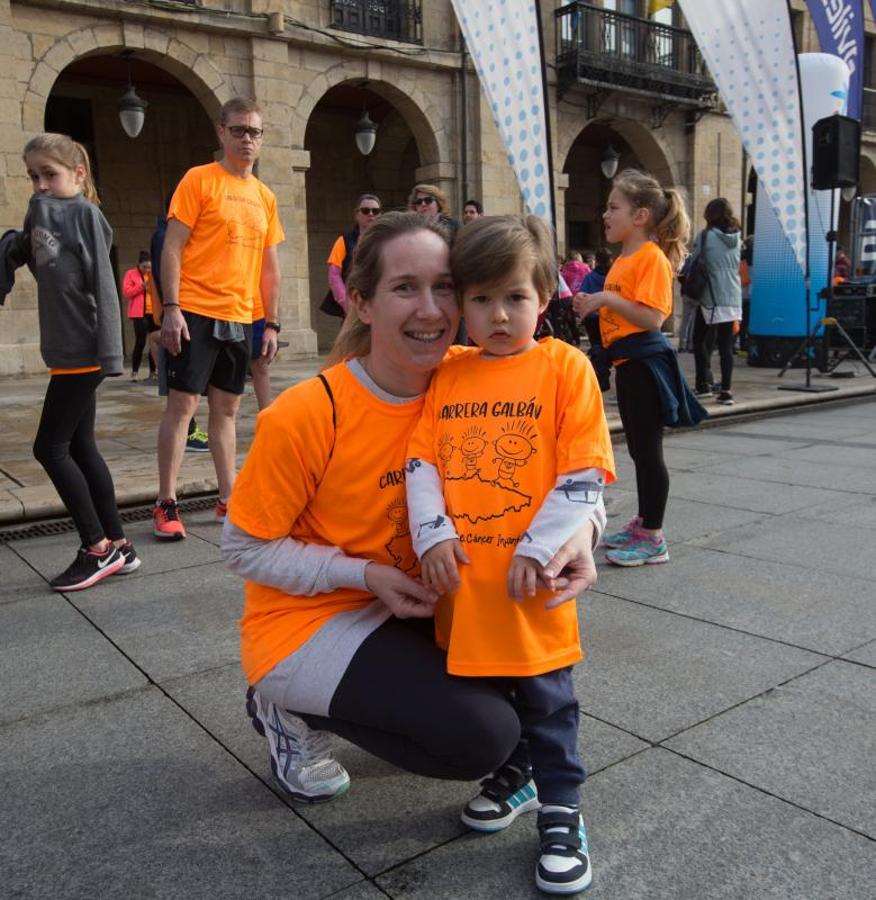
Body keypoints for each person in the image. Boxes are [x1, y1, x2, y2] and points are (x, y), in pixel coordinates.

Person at [222, 212, 601, 874]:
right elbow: (245, 548)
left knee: (518, 678)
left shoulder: (473, 371)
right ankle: (285, 706)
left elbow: (562, 463)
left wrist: (583, 534)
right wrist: (363, 577)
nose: (432, 310)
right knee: (479, 736)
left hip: (432, 600)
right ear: (361, 302)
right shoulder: (306, 414)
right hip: (314, 621)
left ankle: (521, 770)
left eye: (447, 286)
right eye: (404, 288)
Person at [405, 215, 615, 895]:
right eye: (482, 299)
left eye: (515, 298)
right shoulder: (448, 374)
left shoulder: (564, 368)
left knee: (551, 706)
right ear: (461, 303)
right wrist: (432, 532)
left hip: (535, 583)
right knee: (494, 698)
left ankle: (563, 812)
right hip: (468, 585)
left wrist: (541, 545)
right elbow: (422, 463)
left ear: (546, 294)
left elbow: (583, 475)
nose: (499, 315)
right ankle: (519, 775)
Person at [154, 97, 284, 538]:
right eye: (239, 130)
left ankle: (227, 497)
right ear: (222, 133)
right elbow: (171, 247)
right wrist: (170, 309)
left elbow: (270, 267)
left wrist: (271, 323)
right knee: (183, 405)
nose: (247, 138)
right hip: (194, 310)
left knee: (227, 409)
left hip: (241, 316)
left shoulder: (265, 196)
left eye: (255, 132)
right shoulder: (199, 180)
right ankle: (166, 502)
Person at [22, 133, 139, 590]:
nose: (41, 184)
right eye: (34, 176)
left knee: (49, 448)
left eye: (49, 174)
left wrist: (110, 352)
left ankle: (97, 548)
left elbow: (105, 287)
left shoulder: (86, 214)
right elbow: (36, 258)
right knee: (81, 446)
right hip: (63, 349)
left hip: (84, 348)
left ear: (78, 173)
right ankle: (120, 545)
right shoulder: (41, 209)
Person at [574, 169, 705, 568]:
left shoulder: (650, 257)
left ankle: (653, 537)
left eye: (614, 207)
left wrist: (603, 302)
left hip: (646, 363)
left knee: (648, 453)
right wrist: (592, 306)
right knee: (638, 450)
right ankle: (645, 523)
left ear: (641, 216)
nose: (605, 215)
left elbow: (652, 317)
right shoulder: (625, 259)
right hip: (630, 362)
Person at [149, 191, 208, 453]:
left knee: (186, 389)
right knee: (183, 391)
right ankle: (190, 431)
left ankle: (190, 428)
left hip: (178, 315)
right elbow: (167, 277)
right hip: (181, 317)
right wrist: (174, 312)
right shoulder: (166, 234)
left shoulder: (165, 232)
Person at [691, 198, 742, 405]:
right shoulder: (737, 238)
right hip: (732, 295)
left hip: (710, 296)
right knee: (726, 347)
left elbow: (694, 261)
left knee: (699, 340)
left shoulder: (705, 236)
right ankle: (726, 390)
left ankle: (703, 385)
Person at [323, 193, 381, 318]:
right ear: (356, 215)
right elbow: (334, 275)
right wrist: (346, 302)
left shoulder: (388, 241)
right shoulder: (343, 241)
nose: (371, 214)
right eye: (366, 211)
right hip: (353, 306)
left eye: (375, 211)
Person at [123, 250, 157, 381]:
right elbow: (127, 292)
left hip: (154, 312)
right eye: (144, 267)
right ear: (139, 265)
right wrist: (142, 286)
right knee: (140, 342)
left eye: (149, 267)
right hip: (139, 313)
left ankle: (153, 372)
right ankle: (135, 372)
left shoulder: (154, 274)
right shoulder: (130, 274)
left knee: (154, 342)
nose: (147, 269)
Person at [577, 247, 612, 355]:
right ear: (611, 260)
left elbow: (582, 295)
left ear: (596, 261)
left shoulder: (590, 277)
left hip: (592, 316)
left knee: (596, 343)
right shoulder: (614, 275)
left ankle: (599, 365)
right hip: (610, 315)